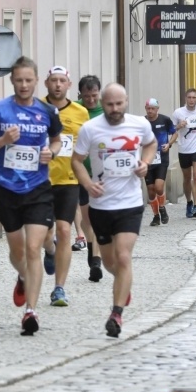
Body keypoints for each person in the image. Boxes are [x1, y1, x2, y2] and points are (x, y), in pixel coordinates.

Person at [0, 56, 62, 335]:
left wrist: (53, 151)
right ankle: (23, 275)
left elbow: (57, 139)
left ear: (37, 82)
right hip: (7, 190)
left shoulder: (47, 111)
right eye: (19, 80)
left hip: (38, 188)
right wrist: (2, 141)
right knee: (17, 251)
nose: (24, 85)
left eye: (29, 80)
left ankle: (31, 312)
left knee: (33, 248)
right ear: (11, 81)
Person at [72, 83, 157, 338]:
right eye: (109, 104)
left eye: (119, 104)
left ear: (126, 101)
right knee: (110, 262)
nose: (114, 109)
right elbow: (76, 160)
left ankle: (116, 313)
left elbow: (151, 144)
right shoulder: (91, 128)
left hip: (130, 204)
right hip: (100, 206)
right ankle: (123, 282)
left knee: (122, 257)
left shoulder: (139, 124)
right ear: (102, 102)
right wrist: (87, 184)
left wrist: (145, 163)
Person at [40, 66, 89, 307]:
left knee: (65, 231)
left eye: (62, 81)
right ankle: (49, 251)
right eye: (53, 80)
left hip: (68, 180)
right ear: (46, 83)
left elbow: (88, 145)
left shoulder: (81, 113)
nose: (58, 85)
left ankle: (59, 288)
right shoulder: (35, 107)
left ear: (69, 84)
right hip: (39, 180)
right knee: (44, 234)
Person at [76, 75, 104, 281]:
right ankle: (92, 247)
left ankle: (96, 260)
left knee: (99, 216)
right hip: (79, 171)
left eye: (94, 96)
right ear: (80, 95)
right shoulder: (74, 110)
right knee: (87, 217)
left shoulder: (107, 111)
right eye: (87, 97)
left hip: (103, 172)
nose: (91, 100)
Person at [171, 89, 196, 219]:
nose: (191, 100)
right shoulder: (178, 112)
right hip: (184, 149)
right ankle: (189, 201)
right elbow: (172, 129)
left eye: (194, 97)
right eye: (189, 97)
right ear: (185, 98)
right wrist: (178, 126)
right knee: (187, 178)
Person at [143, 98, 177, 226]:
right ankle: (156, 216)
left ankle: (162, 208)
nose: (150, 111)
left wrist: (169, 144)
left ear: (157, 109)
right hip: (147, 159)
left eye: (153, 108)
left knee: (158, 186)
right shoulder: (143, 122)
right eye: (148, 108)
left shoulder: (165, 120)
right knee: (151, 190)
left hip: (161, 157)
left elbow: (175, 134)